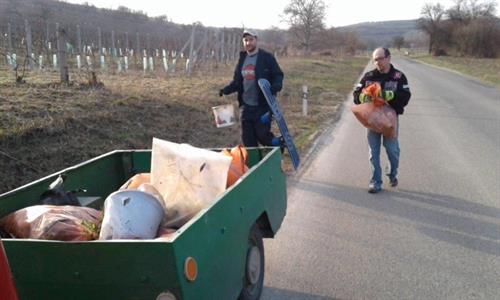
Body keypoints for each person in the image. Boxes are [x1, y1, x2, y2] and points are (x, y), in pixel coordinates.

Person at [353, 47, 411, 193]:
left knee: (393, 151)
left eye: (380, 58)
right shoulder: (369, 76)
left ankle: (392, 174)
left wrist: (390, 95)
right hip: (372, 120)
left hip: (390, 120)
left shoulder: (398, 76)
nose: (377, 62)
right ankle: (375, 181)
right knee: (373, 152)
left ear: (388, 58)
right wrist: (363, 97)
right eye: (375, 59)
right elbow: (356, 95)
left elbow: (406, 97)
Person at [219, 29, 284, 148]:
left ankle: (279, 143)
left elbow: (278, 75)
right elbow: (238, 81)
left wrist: (276, 86)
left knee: (262, 136)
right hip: (246, 107)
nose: (248, 43)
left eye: (250, 40)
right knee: (248, 140)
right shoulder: (242, 59)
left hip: (262, 106)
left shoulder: (266, 58)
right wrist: (226, 90)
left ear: (256, 40)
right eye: (245, 40)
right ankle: (256, 163)